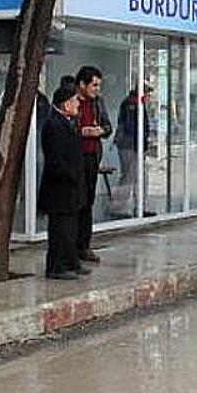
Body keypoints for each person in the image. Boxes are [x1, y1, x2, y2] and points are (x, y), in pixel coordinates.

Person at [38, 85, 91, 280]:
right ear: (66, 104)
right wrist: (70, 175)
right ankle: (57, 267)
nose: (78, 104)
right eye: (75, 101)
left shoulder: (67, 122)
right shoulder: (54, 125)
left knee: (70, 229)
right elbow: (56, 160)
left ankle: (71, 262)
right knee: (60, 230)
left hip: (71, 188)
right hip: (60, 189)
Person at [75, 66, 112, 263]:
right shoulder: (71, 101)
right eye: (94, 85)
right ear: (82, 84)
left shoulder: (98, 102)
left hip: (92, 155)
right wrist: (81, 131)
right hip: (75, 156)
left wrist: (100, 131)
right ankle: (71, 246)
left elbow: (108, 127)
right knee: (75, 201)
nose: (97, 89)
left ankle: (84, 245)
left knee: (88, 201)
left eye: (99, 86)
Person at [114, 82, 152, 216]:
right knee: (128, 177)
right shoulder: (131, 104)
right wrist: (141, 143)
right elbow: (131, 128)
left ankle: (140, 207)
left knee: (141, 177)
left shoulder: (138, 104)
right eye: (147, 93)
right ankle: (119, 209)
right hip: (129, 146)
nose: (148, 96)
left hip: (136, 146)